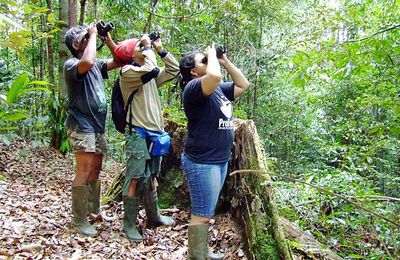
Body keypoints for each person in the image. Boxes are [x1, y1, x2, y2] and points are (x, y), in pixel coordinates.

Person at [179, 43, 249, 259]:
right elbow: (215, 77)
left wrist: (224, 61)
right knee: (201, 215)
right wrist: (210, 54)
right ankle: (196, 255)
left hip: (219, 160)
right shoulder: (193, 88)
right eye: (203, 61)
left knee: (206, 213)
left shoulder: (216, 88)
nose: (209, 62)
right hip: (202, 162)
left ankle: (201, 251)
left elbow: (242, 84)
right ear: (193, 71)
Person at [114, 34, 180, 242]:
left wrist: (160, 49)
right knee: (134, 177)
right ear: (129, 54)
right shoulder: (128, 72)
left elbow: (174, 70)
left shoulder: (148, 74)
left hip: (156, 133)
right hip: (137, 132)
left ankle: (154, 216)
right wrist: (148, 47)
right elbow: (150, 69)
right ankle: (129, 225)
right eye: (138, 46)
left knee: (151, 176)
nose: (142, 47)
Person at [64, 23, 120, 236]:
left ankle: (92, 209)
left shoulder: (95, 64)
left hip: (96, 127)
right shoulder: (72, 64)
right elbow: (87, 61)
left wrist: (107, 40)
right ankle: (79, 219)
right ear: (76, 44)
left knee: (96, 170)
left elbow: (119, 61)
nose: (89, 38)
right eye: (84, 37)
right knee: (84, 171)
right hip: (82, 124)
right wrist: (93, 33)